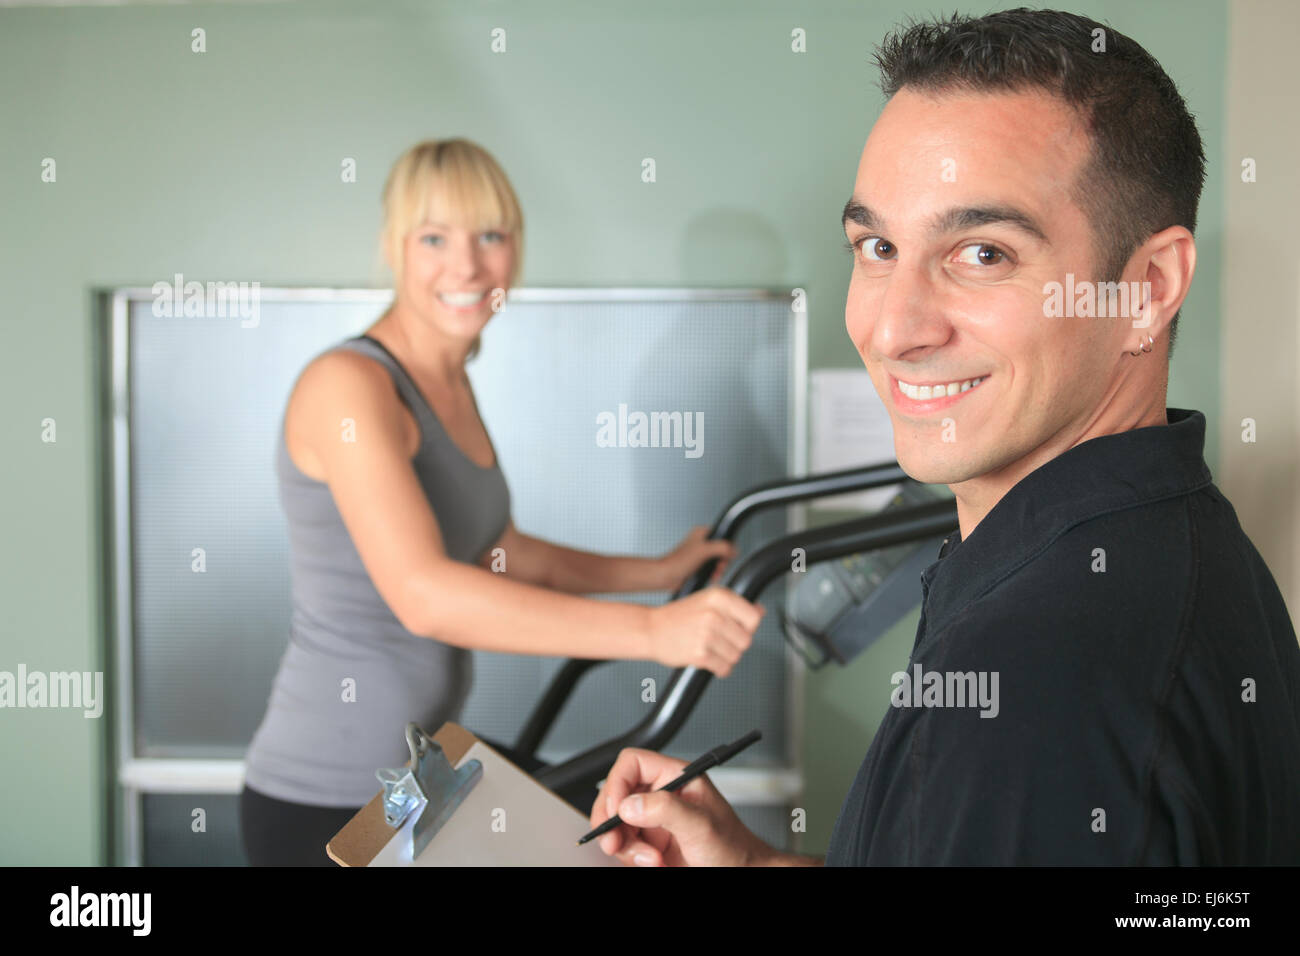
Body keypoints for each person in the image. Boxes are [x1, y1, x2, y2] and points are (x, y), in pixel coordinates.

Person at [589, 8, 1300, 866]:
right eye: (879, 244)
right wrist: (751, 862)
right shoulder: (1173, 542)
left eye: (983, 254)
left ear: (1145, 287)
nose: (893, 329)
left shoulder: (1035, 691)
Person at [239, 139, 764, 866]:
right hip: (327, 799)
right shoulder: (348, 386)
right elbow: (424, 594)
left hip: (417, 778)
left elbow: (503, 550)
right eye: (434, 238)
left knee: (611, 838)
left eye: (491, 235)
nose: (467, 266)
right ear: (393, 247)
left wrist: (658, 571)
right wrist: (654, 634)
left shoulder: (449, 384)